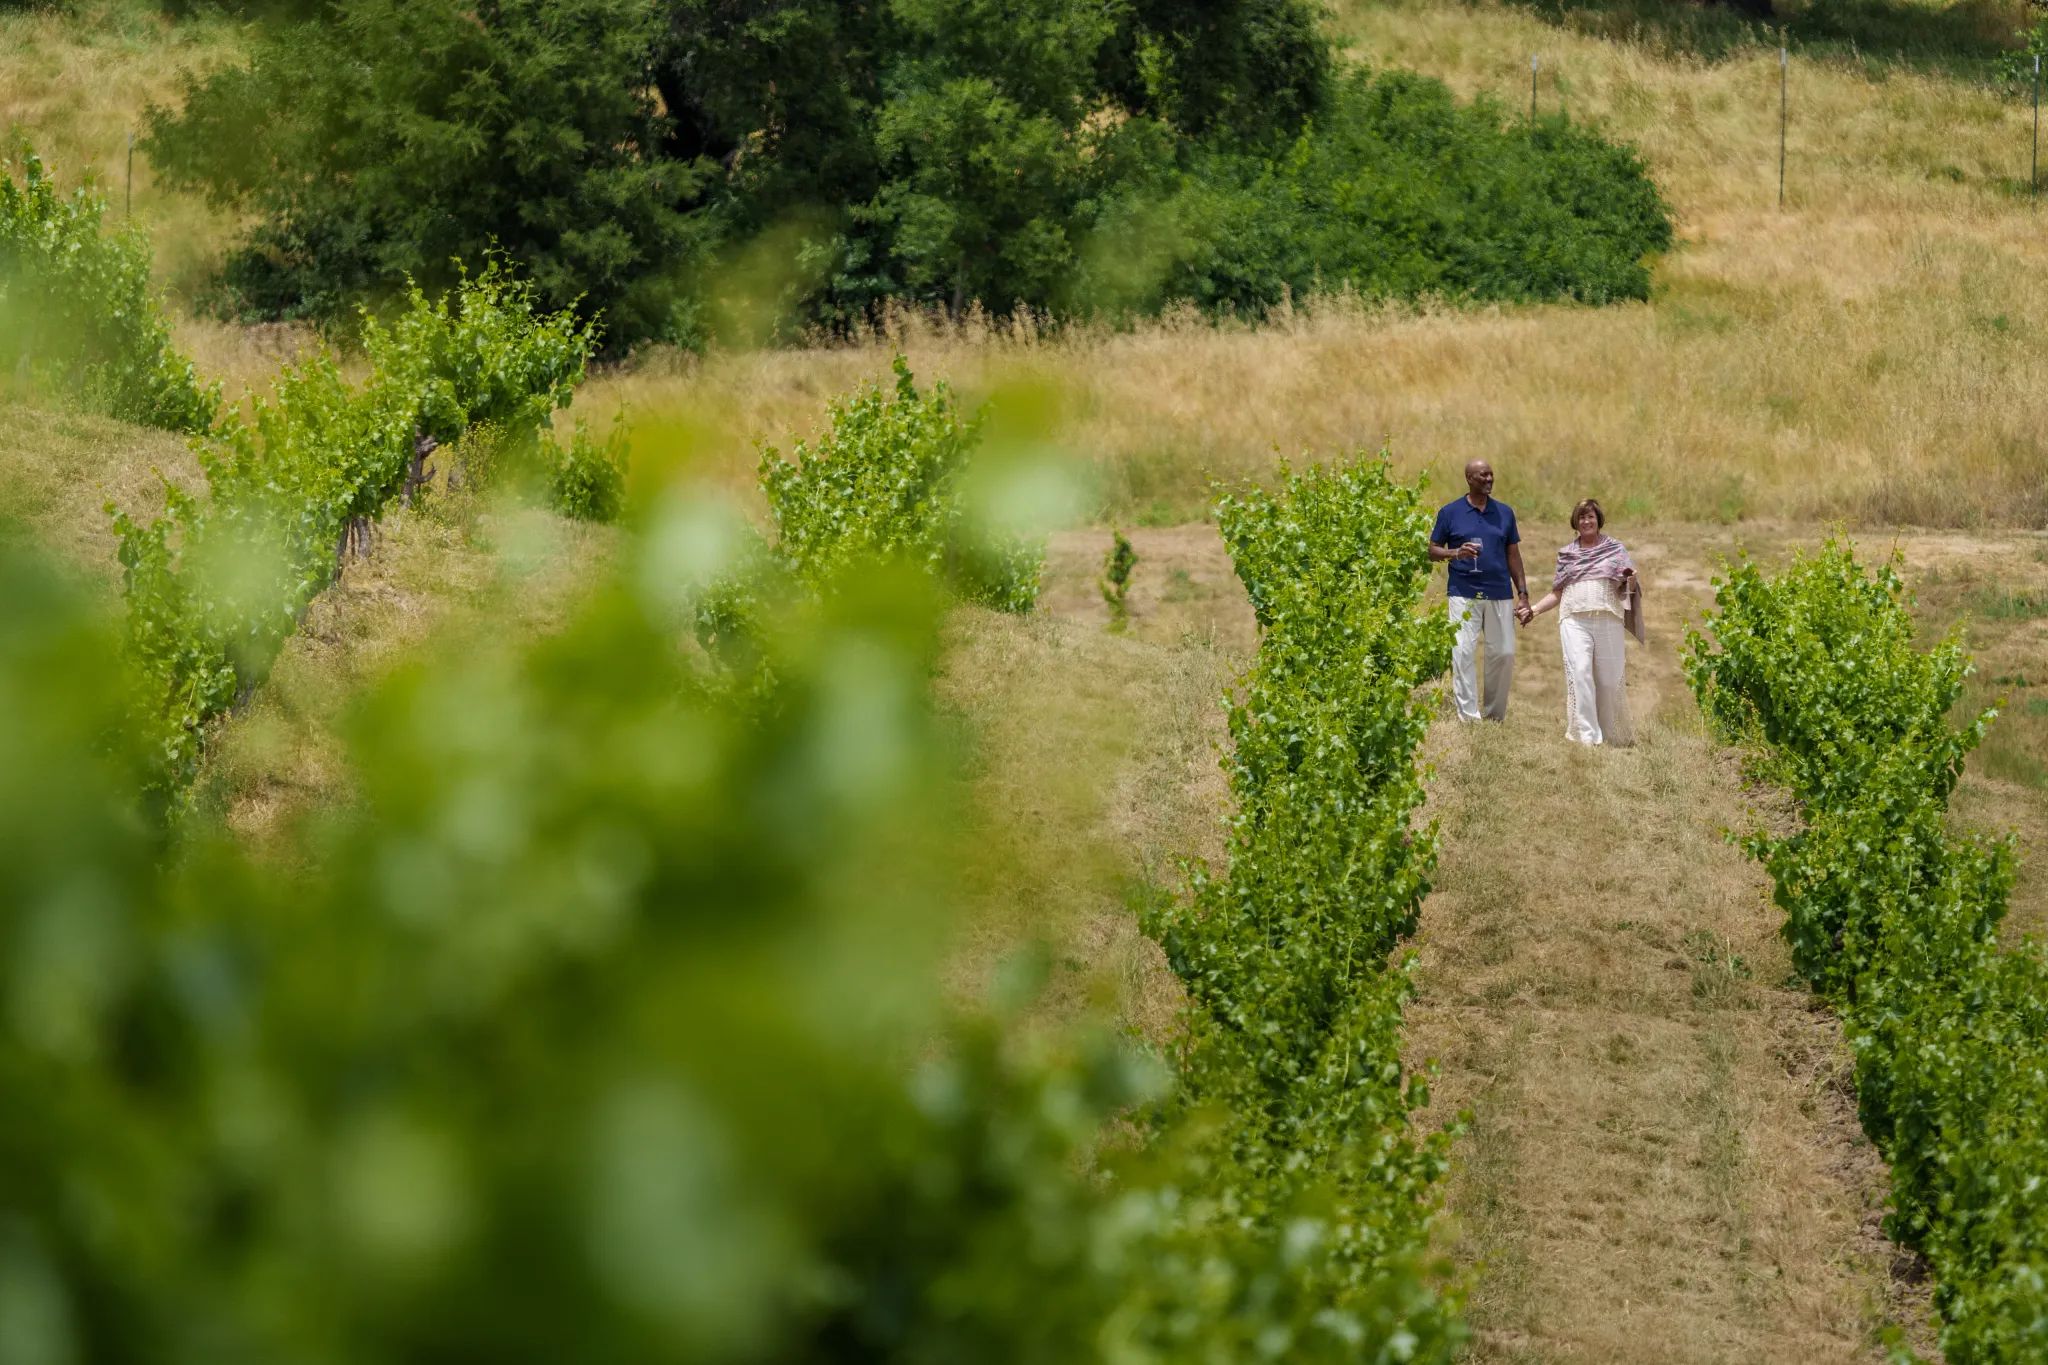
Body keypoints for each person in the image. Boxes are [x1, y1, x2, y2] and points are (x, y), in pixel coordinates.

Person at [1526, 497, 1641, 747]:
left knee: (1609, 680)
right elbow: (1557, 592)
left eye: (1590, 516)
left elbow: (1627, 585)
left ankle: (1610, 732)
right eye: (1581, 517)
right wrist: (1533, 610)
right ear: (1575, 523)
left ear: (1598, 520)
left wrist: (1630, 580)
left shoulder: (1615, 550)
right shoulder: (1567, 554)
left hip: (1608, 618)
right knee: (1580, 672)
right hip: (1574, 619)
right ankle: (1587, 736)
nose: (1586, 521)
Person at [1428, 459, 1530, 722]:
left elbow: (1513, 555)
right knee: (1462, 651)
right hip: (1463, 590)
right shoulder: (1450, 512)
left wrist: (1523, 593)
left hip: (1499, 592)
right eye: (1483, 475)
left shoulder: (1505, 513)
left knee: (1504, 653)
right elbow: (1432, 550)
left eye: (1491, 474)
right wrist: (1455, 552)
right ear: (1469, 479)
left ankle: (1494, 714)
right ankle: (1469, 717)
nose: (1489, 479)